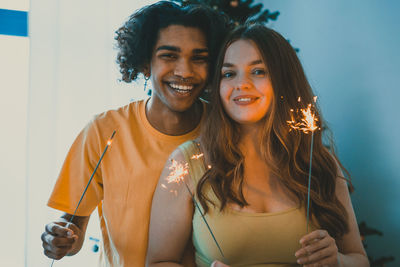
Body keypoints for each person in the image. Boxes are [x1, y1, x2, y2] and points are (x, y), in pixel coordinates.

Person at [147, 24, 369, 267]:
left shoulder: (319, 163)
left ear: (283, 79)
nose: (241, 84)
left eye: (258, 71)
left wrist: (337, 260)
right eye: (229, 74)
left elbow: (360, 260)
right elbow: (159, 261)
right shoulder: (188, 162)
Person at [41, 1, 231, 266]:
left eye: (199, 58)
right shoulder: (104, 130)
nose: (185, 71)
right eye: (169, 55)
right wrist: (62, 237)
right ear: (144, 62)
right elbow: (73, 224)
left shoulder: (228, 131)